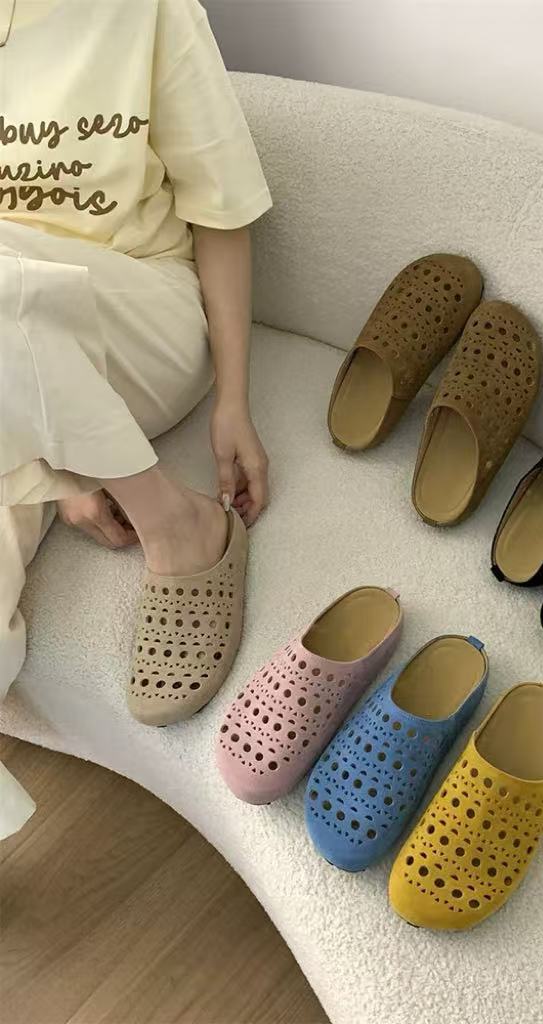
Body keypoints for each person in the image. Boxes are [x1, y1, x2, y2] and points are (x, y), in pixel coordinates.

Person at [0, 0, 272, 835]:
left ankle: (175, 518)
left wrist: (233, 399)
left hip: (140, 319)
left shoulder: (144, 9)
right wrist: (57, 461)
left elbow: (221, 213)